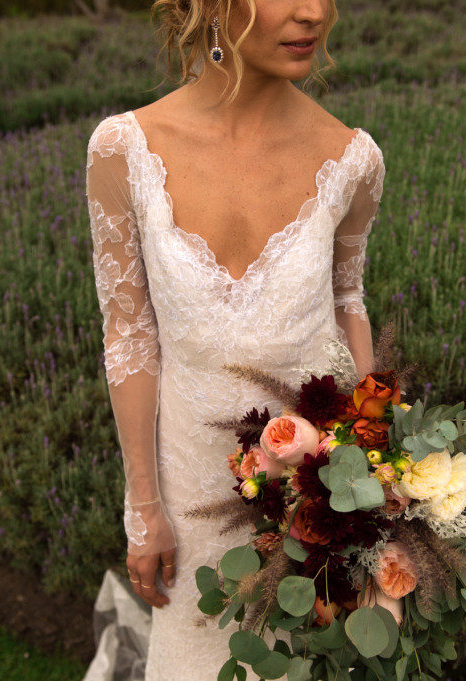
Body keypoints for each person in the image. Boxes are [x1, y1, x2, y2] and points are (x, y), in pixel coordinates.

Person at [83, 1, 383, 679]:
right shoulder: (124, 150)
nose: (314, 12)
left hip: (316, 508)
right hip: (190, 506)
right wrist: (144, 508)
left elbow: (347, 302)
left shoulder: (352, 158)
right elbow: (130, 337)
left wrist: (379, 467)